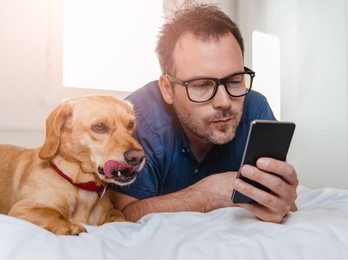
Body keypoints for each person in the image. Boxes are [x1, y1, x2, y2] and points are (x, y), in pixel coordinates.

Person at [110, 3, 298, 223]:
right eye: (201, 85)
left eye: (235, 80)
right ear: (168, 89)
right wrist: (207, 195)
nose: (225, 102)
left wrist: (282, 198)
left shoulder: (255, 108)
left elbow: (283, 203)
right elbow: (122, 214)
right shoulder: (134, 120)